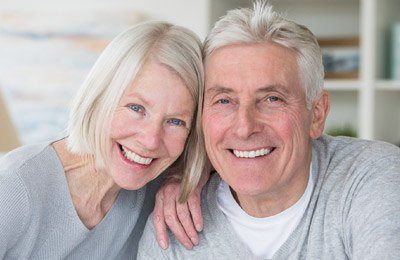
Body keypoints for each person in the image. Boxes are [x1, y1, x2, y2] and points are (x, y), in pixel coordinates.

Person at [138, 1, 400, 259]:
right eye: (224, 100)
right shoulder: (172, 228)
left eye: (272, 99)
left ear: (317, 114)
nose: (244, 128)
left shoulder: (371, 176)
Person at [0, 21, 206, 259]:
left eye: (176, 122)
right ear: (99, 98)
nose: (150, 140)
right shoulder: (12, 189)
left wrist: (189, 179)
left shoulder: (157, 186)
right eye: (136, 108)